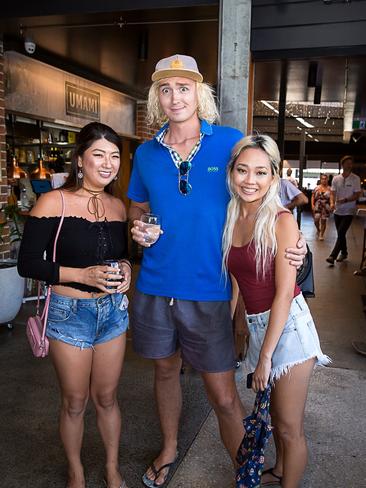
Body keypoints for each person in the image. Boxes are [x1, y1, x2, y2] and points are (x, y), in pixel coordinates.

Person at [127, 54, 307, 487]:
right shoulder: (146, 154)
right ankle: (169, 450)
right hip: (155, 285)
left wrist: (292, 240)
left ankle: (242, 467)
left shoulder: (228, 141)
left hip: (211, 289)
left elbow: (265, 187)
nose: (175, 97)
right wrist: (139, 229)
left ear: (199, 93)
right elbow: (137, 206)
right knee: (165, 371)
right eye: (166, 89)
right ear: (157, 97)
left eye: (183, 87)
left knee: (224, 395)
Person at [18, 122, 132, 488]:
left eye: (114, 156)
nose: (107, 163)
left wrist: (127, 268)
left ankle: (112, 469)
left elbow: (124, 255)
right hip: (69, 314)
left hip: (112, 313)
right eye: (98, 154)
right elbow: (28, 263)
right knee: (74, 401)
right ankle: (76, 472)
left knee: (107, 397)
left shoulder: (118, 206)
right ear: (80, 159)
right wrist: (83, 276)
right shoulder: (55, 201)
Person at [223, 134, 330, 488]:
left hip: (288, 326)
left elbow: (284, 293)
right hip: (258, 326)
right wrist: (233, 325)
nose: (249, 180)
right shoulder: (233, 213)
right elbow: (238, 278)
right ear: (231, 172)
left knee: (288, 426)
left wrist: (265, 356)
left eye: (260, 172)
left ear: (273, 177)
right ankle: (282, 470)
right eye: (242, 170)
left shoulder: (281, 221)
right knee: (272, 414)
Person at [326, 155, 361, 265]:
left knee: (341, 232)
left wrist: (346, 200)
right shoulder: (336, 179)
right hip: (338, 210)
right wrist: (332, 203)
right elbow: (332, 193)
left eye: (351, 163)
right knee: (341, 233)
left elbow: (357, 195)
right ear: (343, 164)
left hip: (349, 210)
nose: (350, 165)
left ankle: (333, 255)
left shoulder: (355, 178)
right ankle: (344, 252)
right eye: (347, 163)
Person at [311, 174, 334, 240]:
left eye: (325, 179)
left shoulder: (330, 189)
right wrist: (312, 205)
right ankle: (318, 229)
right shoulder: (317, 188)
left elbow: (331, 197)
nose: (324, 180)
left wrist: (332, 203)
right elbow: (312, 196)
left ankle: (321, 235)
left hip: (326, 206)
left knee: (323, 221)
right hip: (317, 205)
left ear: (327, 180)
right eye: (322, 179)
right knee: (316, 220)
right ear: (320, 180)